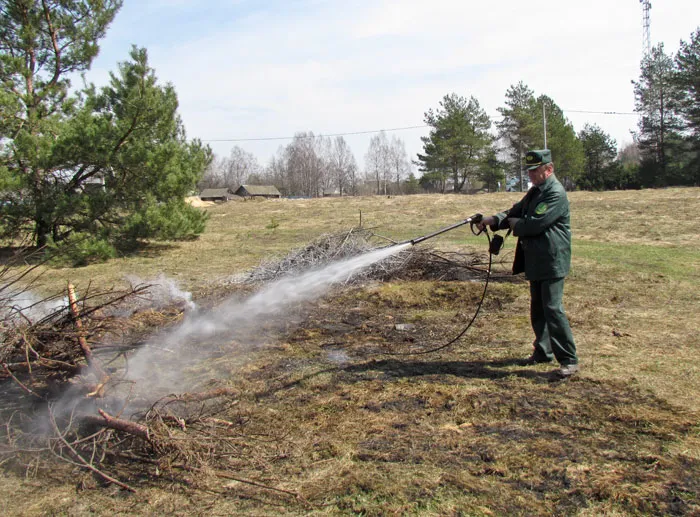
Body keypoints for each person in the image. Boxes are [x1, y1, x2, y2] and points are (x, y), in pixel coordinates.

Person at [478, 149, 579, 378]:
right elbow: (515, 212)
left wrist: (514, 223)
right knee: (538, 309)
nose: (531, 176)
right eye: (530, 171)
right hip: (536, 259)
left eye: (536, 171)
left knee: (552, 308)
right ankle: (543, 352)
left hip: (552, 259)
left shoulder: (555, 194)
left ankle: (569, 360)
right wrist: (492, 220)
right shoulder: (535, 192)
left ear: (549, 169)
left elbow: (532, 224)